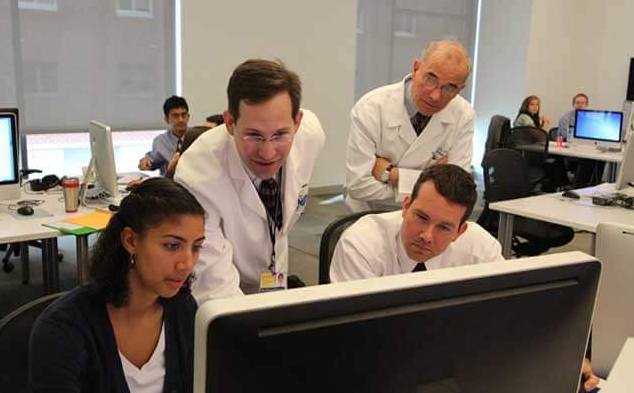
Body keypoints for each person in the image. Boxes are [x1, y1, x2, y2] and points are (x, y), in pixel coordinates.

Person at [28, 177, 205, 393]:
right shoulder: (63, 330)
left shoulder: (183, 309)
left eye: (196, 247)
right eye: (172, 246)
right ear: (130, 241)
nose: (187, 263)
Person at [175, 59, 325, 298]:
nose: (268, 153)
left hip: (276, 281)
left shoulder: (311, 136)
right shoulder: (197, 176)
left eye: (280, 135)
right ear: (230, 123)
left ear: (297, 122)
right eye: (253, 135)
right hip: (226, 287)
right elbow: (214, 286)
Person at [345, 40, 475, 212]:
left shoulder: (463, 114)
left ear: (460, 89)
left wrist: (391, 174)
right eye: (430, 79)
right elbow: (358, 185)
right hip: (371, 214)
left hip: (429, 217)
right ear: (415, 69)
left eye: (449, 88)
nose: (435, 95)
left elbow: (456, 190)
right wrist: (432, 183)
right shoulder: (371, 108)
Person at [331, 164, 504, 282]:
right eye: (421, 217)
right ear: (406, 206)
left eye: (444, 227)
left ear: (460, 231)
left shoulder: (481, 250)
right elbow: (354, 330)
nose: (427, 236)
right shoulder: (362, 244)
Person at [138, 95, 191, 176]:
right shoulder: (160, 141)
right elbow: (150, 161)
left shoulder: (197, 137)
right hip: (168, 186)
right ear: (167, 120)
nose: (181, 120)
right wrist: (144, 162)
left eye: (183, 115)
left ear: (188, 117)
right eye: (175, 116)